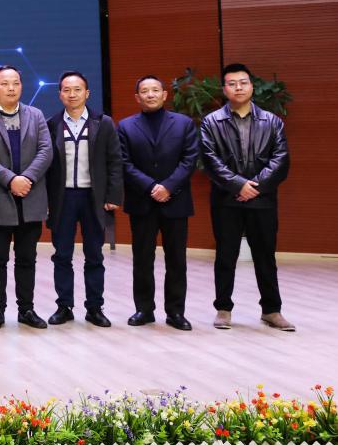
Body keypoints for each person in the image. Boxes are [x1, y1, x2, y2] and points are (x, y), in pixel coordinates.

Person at [200, 63, 292, 331]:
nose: (238, 88)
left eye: (243, 83)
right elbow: (210, 160)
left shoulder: (272, 121)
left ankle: (272, 310)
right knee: (225, 255)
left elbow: (281, 159)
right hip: (226, 200)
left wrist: (255, 187)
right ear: (224, 89)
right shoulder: (211, 122)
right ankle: (223, 309)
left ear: (252, 86)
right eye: (232, 84)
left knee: (265, 256)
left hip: (262, 200)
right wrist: (238, 185)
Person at [0, 65, 53, 330]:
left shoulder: (36, 115)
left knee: (27, 258)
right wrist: (10, 180)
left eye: (16, 83)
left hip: (31, 196)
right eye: (5, 84)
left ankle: (26, 309)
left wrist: (26, 178)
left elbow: (46, 151)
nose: (11, 88)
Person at [117, 74, 198, 330]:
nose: (150, 95)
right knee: (142, 259)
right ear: (137, 97)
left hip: (176, 201)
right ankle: (144, 309)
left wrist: (168, 187)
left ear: (164, 95)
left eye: (155, 90)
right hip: (142, 202)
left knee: (177, 260)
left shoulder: (184, 124)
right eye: (145, 91)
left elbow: (189, 160)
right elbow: (124, 163)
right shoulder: (126, 126)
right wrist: (152, 187)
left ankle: (175, 312)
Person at [43, 71, 123, 328]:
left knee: (94, 255)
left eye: (77, 89)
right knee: (62, 255)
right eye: (66, 90)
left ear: (87, 93)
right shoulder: (52, 124)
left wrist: (113, 195)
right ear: (60, 94)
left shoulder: (104, 123)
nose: (72, 94)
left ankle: (95, 308)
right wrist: (45, 200)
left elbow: (115, 161)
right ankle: (64, 306)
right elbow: (45, 166)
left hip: (93, 198)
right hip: (62, 198)